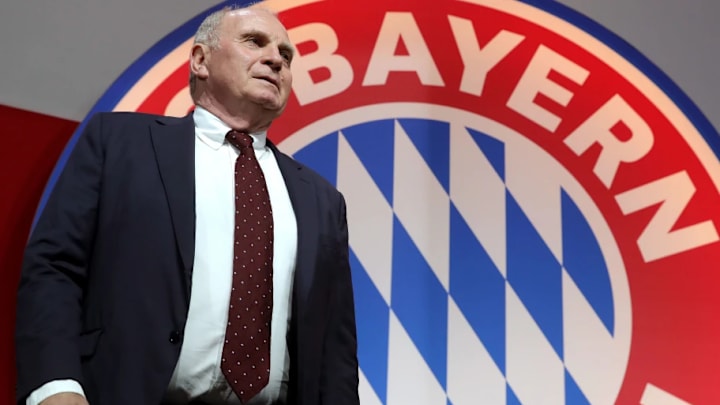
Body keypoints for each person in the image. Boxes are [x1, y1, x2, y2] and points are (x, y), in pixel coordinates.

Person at [15, 5, 359, 405]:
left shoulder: (321, 199)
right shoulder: (119, 143)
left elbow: (335, 344)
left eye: (286, 55)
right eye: (254, 42)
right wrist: (56, 386)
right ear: (200, 60)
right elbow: (55, 269)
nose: (275, 59)